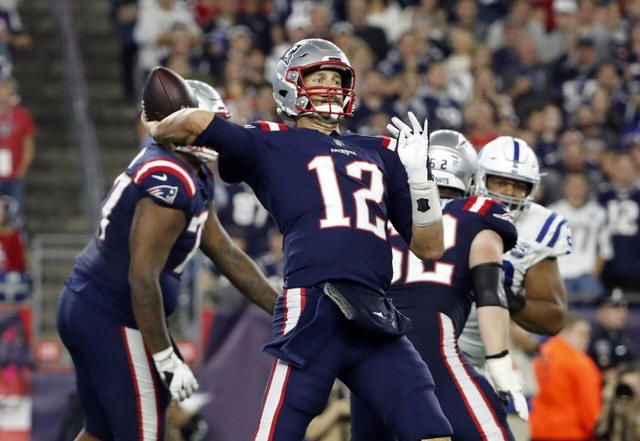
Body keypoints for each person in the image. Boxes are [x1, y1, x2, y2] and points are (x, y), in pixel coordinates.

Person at [144, 38, 452, 441]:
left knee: (431, 430)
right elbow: (196, 123)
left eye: (337, 80)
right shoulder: (271, 140)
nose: (331, 88)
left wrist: (421, 181)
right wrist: (157, 128)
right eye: (319, 78)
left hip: (375, 312)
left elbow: (430, 247)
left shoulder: (381, 151)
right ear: (290, 85)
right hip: (315, 306)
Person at [57, 79, 279, 441]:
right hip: (114, 314)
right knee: (144, 431)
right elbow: (142, 278)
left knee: (100, 431)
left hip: (96, 306)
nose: (215, 136)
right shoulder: (170, 178)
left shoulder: (188, 170)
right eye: (204, 125)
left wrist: (282, 309)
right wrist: (165, 357)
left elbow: (226, 254)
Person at [350, 127, 527, 441]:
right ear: (468, 178)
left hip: (370, 353)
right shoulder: (477, 214)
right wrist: (499, 363)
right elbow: (490, 291)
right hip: (432, 350)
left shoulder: (377, 213)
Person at [458, 136, 571, 437]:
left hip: (495, 349)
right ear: (480, 178)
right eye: (500, 182)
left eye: (518, 185)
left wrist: (499, 292)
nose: (509, 192)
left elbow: (553, 318)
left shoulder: (539, 227)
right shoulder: (452, 205)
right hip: (438, 342)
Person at [529, 315, 602, 441]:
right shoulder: (579, 362)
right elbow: (589, 406)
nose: (587, 340)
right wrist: (596, 431)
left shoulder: (539, 356)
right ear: (564, 332)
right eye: (582, 334)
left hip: (537, 430)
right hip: (570, 432)